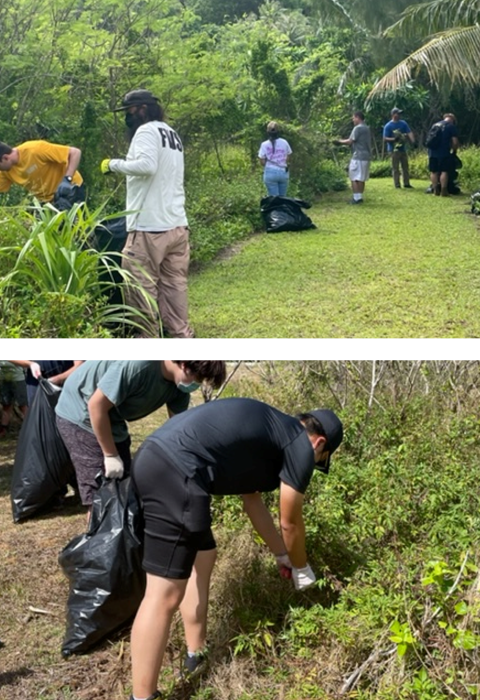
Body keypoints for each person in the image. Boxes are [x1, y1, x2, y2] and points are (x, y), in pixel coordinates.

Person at [128, 397, 343, 700]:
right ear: (320, 443)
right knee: (163, 594)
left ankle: (195, 653)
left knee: (203, 555)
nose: (314, 463)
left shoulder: (271, 433)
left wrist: (281, 554)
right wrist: (302, 567)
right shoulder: (299, 446)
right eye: (321, 458)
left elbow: (252, 500)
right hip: (179, 471)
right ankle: (142, 697)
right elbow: (290, 522)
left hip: (156, 456)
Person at [55, 360, 226, 513]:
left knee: (123, 487)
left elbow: (177, 431)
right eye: (197, 378)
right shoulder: (139, 365)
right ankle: (99, 545)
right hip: (81, 409)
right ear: (184, 365)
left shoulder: (179, 388)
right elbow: (96, 406)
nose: (196, 384)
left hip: (112, 416)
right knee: (100, 492)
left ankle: (122, 541)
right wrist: (110, 455)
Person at [100, 89, 193, 340]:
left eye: (129, 112)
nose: (127, 118)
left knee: (139, 288)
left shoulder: (145, 131)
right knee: (174, 287)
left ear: (141, 109)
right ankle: (182, 336)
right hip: (177, 226)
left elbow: (147, 166)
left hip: (149, 228)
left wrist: (112, 165)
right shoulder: (171, 133)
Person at [0, 140, 85, 209]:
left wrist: (67, 179)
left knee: (75, 226)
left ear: (5, 158)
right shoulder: (5, 172)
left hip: (70, 189)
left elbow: (75, 152)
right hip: (47, 202)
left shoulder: (35, 149)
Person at [6, 360, 84, 406]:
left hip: (64, 384)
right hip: (36, 382)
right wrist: (30, 364)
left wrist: (59, 378)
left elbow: (80, 365)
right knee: (37, 415)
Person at [334, 111, 372, 204]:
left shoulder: (357, 128)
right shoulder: (366, 128)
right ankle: (359, 197)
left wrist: (339, 142)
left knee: (354, 177)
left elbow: (350, 141)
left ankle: (356, 198)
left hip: (358, 156)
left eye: (353, 118)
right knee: (361, 178)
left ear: (358, 117)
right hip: (366, 156)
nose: (353, 120)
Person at [427, 113, 460, 197]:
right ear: (452, 120)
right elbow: (455, 142)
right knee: (444, 171)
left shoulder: (435, 125)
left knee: (434, 171)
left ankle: (435, 190)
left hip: (432, 152)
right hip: (444, 152)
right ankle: (443, 191)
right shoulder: (450, 126)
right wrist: (454, 150)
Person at [383, 107, 415, 189]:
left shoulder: (403, 123)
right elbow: (385, 138)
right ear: (393, 114)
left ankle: (406, 183)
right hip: (393, 150)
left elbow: (409, 132)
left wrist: (413, 141)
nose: (399, 115)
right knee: (395, 167)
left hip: (402, 148)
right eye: (397, 113)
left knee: (405, 167)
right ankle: (397, 184)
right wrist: (394, 139)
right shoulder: (388, 126)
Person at [258, 121, 292, 196]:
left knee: (274, 199)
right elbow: (288, 156)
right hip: (283, 172)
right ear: (278, 131)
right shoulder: (284, 142)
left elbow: (261, 161)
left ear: (268, 132)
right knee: (282, 198)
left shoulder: (264, 144)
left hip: (270, 172)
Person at [0, 361, 28, 438]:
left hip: (18, 379)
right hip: (4, 379)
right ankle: (3, 430)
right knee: (6, 405)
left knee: (22, 406)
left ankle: (28, 429)